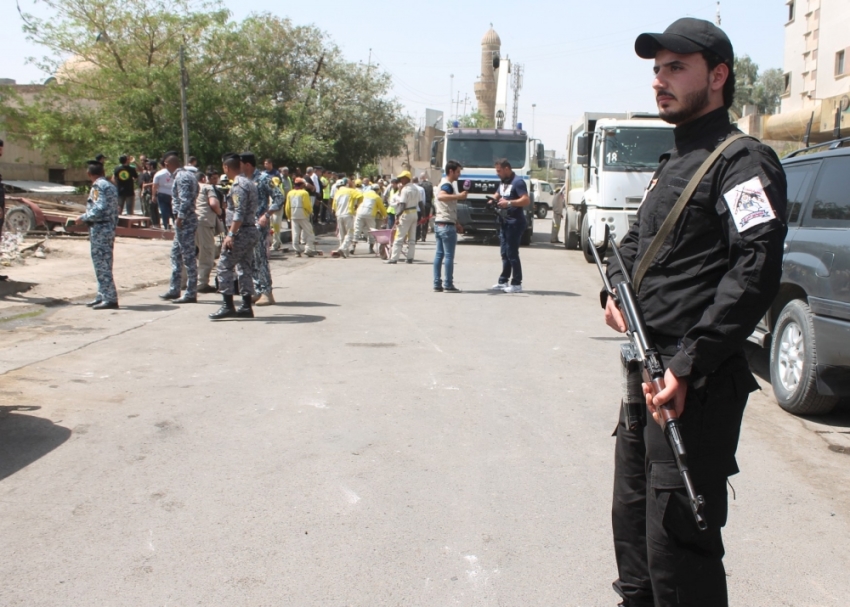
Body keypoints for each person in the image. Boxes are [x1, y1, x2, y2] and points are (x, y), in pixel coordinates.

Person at [603, 18, 788, 607]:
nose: (660, 81)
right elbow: (631, 249)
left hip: (693, 386)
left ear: (717, 75)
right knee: (632, 535)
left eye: (675, 67)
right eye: (657, 70)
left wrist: (688, 362)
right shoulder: (672, 162)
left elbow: (754, 268)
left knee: (678, 550)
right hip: (646, 375)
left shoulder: (742, 162)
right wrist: (611, 294)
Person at [210, 155, 261, 320]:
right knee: (244, 268)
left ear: (226, 168)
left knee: (224, 266)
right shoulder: (250, 183)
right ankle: (246, 305)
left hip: (241, 232)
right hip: (250, 230)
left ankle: (228, 305)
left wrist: (231, 234)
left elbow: (239, 213)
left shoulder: (238, 186)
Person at [75, 160, 120, 309]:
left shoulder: (98, 186)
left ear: (89, 174)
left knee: (101, 264)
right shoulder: (110, 186)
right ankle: (102, 294)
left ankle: (109, 297)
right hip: (108, 228)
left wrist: (83, 218)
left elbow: (99, 208)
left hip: (100, 228)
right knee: (104, 262)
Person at [241, 152, 284, 306]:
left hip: (259, 224)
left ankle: (267, 292)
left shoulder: (264, 178)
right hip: (245, 224)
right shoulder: (244, 180)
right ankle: (258, 290)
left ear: (247, 164)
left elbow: (279, 197)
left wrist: (267, 214)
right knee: (251, 259)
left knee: (260, 258)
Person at [159, 155, 200, 304]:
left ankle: (191, 292)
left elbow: (186, 199)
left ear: (167, 164)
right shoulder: (188, 175)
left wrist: (181, 217)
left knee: (188, 257)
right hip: (184, 220)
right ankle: (175, 288)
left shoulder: (182, 177)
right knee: (176, 255)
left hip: (185, 220)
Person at [490, 159, 530, 293]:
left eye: (499, 171)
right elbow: (498, 193)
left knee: (512, 253)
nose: (497, 174)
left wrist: (509, 203)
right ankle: (503, 280)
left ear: (507, 169)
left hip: (515, 223)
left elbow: (525, 199)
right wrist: (492, 200)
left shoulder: (517, 182)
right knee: (504, 253)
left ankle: (517, 283)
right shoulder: (504, 181)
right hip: (504, 221)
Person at [432, 161, 465, 293]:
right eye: (457, 172)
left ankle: (437, 283)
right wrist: (460, 196)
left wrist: (456, 223)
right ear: (451, 171)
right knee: (449, 256)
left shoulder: (442, 183)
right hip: (446, 226)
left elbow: (447, 206)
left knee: (439, 255)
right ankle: (448, 284)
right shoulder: (447, 185)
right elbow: (441, 197)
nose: (459, 174)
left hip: (440, 223)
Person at [385, 171, 420, 265]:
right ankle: (410, 258)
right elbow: (420, 203)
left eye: (402, 178)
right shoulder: (416, 189)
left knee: (399, 237)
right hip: (414, 213)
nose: (400, 180)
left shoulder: (405, 189)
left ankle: (394, 258)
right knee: (412, 238)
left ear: (406, 178)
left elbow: (402, 205)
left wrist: (397, 216)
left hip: (406, 213)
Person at [196, 171, 222, 293]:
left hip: (189, 222)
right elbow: (213, 203)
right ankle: (202, 283)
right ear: (203, 178)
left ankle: (183, 282)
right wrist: (220, 212)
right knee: (206, 252)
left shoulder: (189, 187)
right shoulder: (207, 187)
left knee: (189, 252)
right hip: (204, 222)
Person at [351, 183, 387, 255]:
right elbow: (382, 208)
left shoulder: (364, 194)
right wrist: (385, 216)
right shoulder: (377, 197)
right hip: (369, 214)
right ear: (377, 190)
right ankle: (371, 248)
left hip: (359, 213)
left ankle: (353, 246)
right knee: (372, 231)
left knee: (357, 230)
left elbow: (359, 202)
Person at [285, 178, 317, 257]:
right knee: (310, 232)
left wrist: (288, 215)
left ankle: (297, 250)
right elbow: (307, 205)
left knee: (295, 233)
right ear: (302, 185)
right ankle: (308, 249)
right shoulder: (304, 193)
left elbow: (287, 206)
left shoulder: (290, 193)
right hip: (303, 215)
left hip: (293, 215)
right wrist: (311, 211)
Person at [331, 178, 362, 258]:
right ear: (346, 184)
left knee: (342, 234)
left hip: (339, 215)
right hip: (348, 214)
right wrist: (357, 205)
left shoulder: (337, 193)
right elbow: (361, 195)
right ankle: (342, 248)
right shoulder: (350, 191)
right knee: (350, 234)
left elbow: (334, 206)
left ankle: (345, 253)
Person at [152, 158, 175, 229]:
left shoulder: (159, 174)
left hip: (162, 193)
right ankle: (176, 225)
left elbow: (155, 185)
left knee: (164, 210)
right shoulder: (174, 173)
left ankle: (166, 226)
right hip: (172, 193)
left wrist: (153, 195)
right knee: (173, 210)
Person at [417, 172, 434, 242]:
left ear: (421, 178)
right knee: (426, 220)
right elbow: (431, 195)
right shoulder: (430, 185)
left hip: (420, 204)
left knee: (418, 219)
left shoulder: (419, 185)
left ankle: (417, 235)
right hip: (428, 204)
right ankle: (424, 236)